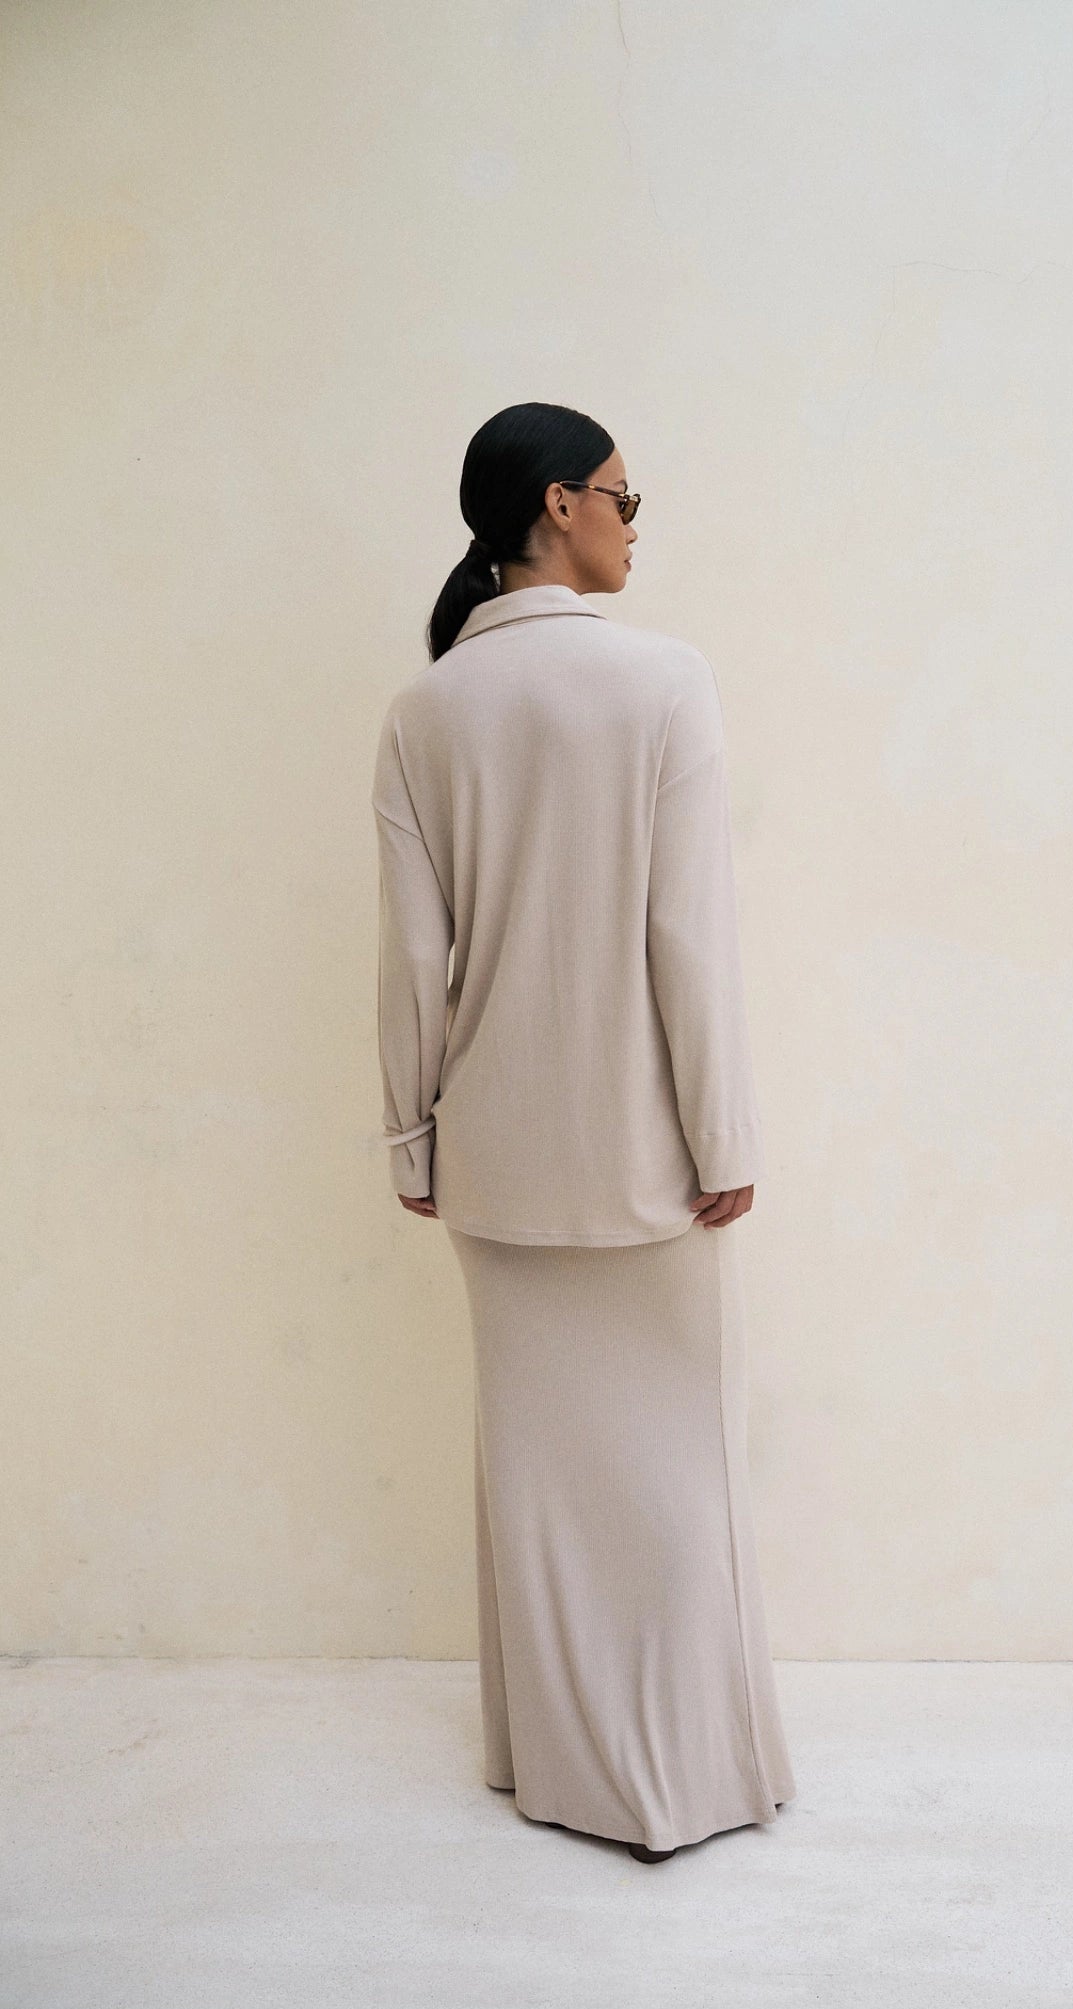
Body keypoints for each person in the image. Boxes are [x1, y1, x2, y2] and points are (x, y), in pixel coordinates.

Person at [370, 400, 795, 1862]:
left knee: (540, 1478)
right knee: (680, 1475)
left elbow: (411, 959)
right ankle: (684, 1778)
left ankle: (544, 1764)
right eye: (624, 497)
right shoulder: (664, 681)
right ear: (559, 503)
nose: (631, 523)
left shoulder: (426, 710)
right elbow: (691, 937)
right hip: (648, 1159)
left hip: (494, 1157)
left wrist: (410, 1139)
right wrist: (723, 1138)